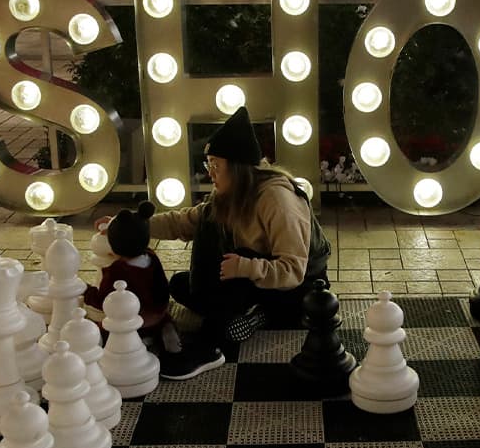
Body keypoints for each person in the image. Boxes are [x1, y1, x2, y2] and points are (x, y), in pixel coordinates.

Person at [101, 106, 330, 380]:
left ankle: (211, 345)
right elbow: (183, 222)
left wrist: (246, 267)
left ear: (237, 168)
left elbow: (294, 271)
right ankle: (251, 316)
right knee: (180, 285)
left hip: (296, 290)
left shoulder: (278, 201)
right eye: (208, 165)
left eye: (215, 166)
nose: (210, 173)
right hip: (252, 280)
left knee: (213, 242)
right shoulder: (230, 193)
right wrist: (129, 225)